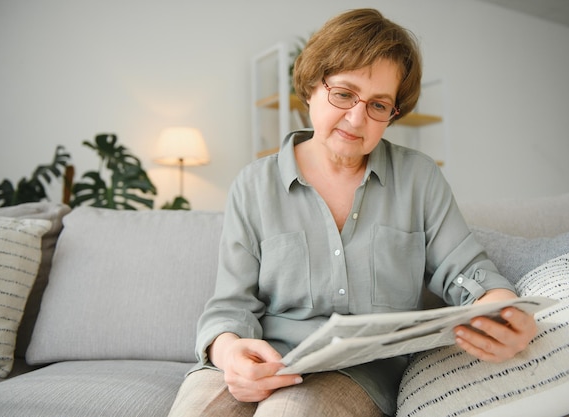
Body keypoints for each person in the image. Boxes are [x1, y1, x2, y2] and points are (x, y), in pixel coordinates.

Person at [168, 8, 537, 417]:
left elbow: (470, 272)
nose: (356, 118)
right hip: (266, 358)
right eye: (343, 94)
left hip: (360, 373)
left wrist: (507, 314)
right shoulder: (254, 185)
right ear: (311, 88)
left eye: (379, 105)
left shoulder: (418, 178)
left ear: (393, 113)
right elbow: (231, 306)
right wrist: (230, 350)